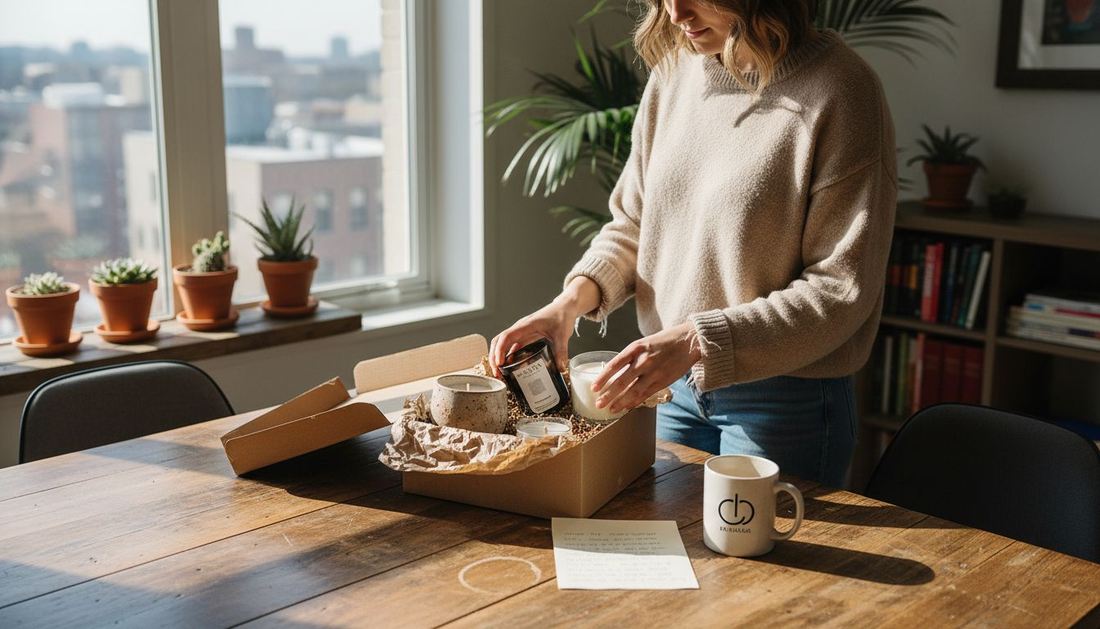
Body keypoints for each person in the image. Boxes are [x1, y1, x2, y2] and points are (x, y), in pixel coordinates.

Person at [490, 0, 897, 488]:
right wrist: (568, 305)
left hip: (784, 401)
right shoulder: (674, 74)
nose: (675, 13)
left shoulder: (843, 90)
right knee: (660, 531)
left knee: (759, 542)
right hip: (671, 390)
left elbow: (839, 290)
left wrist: (694, 340)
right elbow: (634, 225)